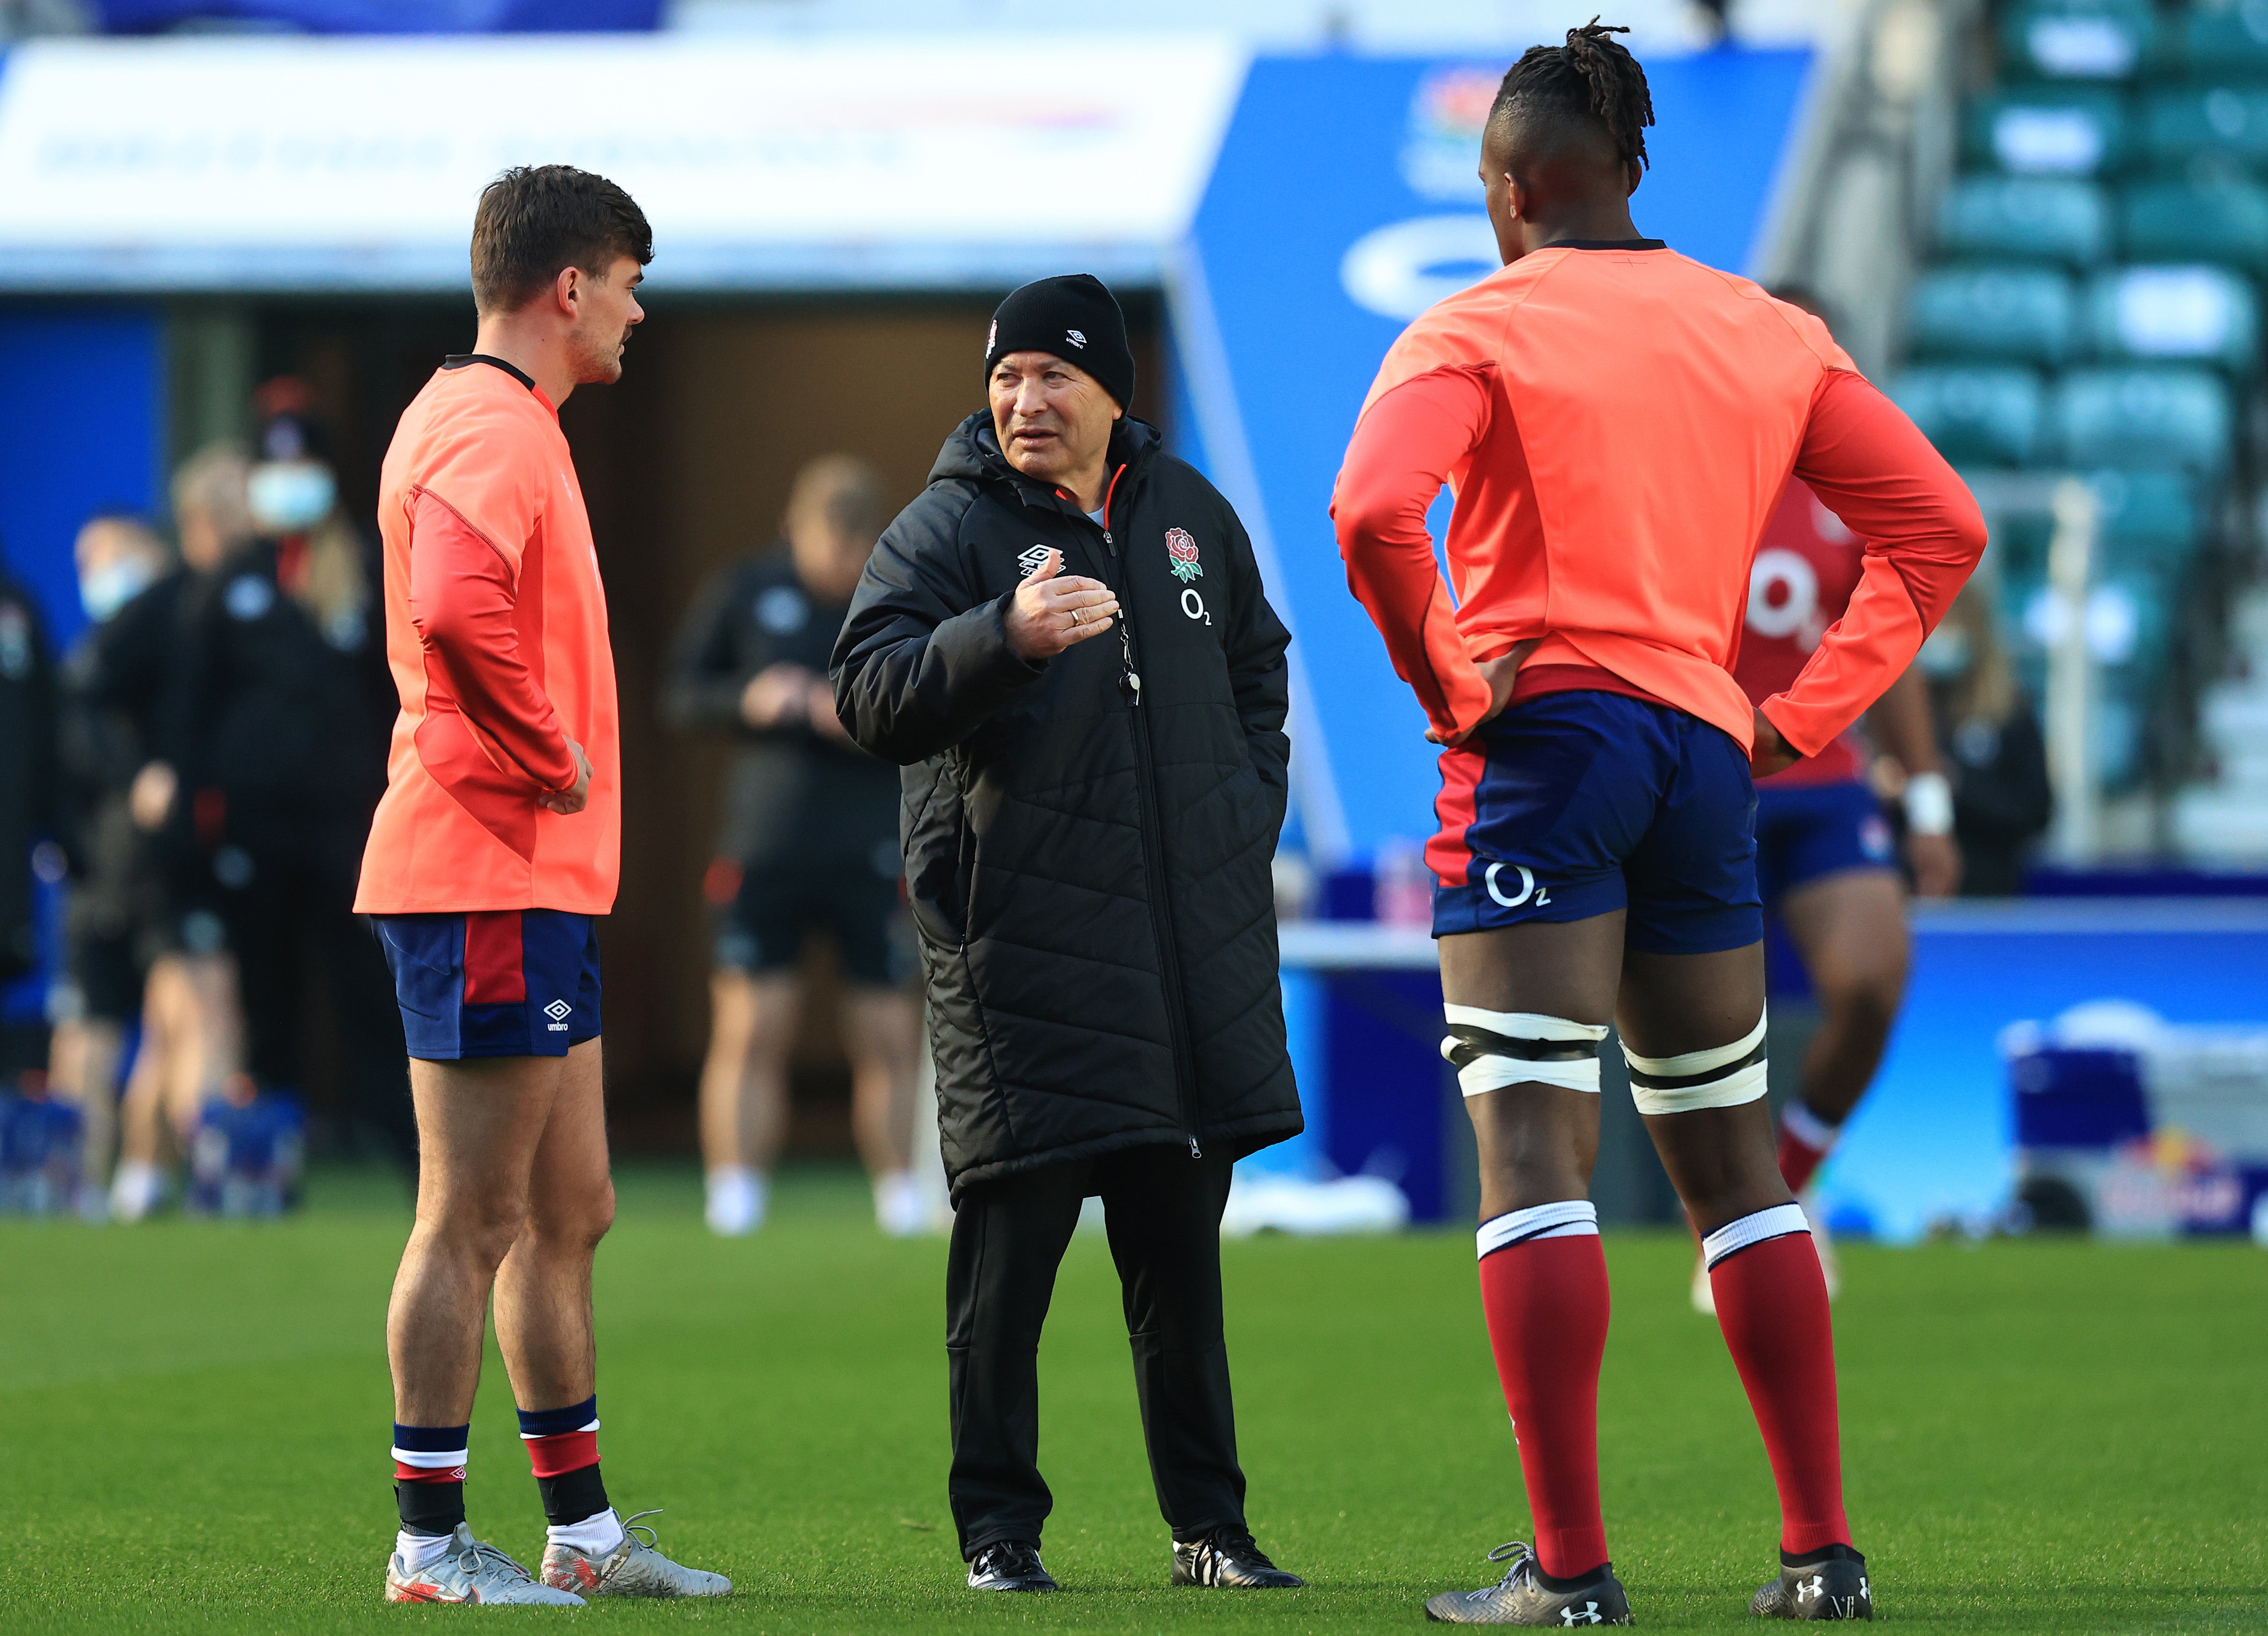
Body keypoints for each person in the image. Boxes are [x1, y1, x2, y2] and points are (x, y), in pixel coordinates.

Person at [1332, 24, 1984, 1625]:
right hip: (1708, 756)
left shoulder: (1472, 324)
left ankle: (1567, 1575)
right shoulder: (1763, 330)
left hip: (1543, 742)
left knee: (1535, 1148)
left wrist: (1447, 677)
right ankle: (1819, 1557)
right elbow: (1940, 529)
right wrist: (1800, 714)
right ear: (1633, 172)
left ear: (1502, 192)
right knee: (1736, 1165)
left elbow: (1366, 509)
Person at [833, 274, 1306, 1595]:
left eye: (1053, 376)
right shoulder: (947, 530)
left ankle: (1208, 1528)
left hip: (1177, 959)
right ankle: (998, 1534)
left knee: (1180, 1278)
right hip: (1023, 956)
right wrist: (1002, 634)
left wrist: (1238, 808)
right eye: (1006, 377)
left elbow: (1258, 668)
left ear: (1113, 392)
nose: (1025, 400)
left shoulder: (1189, 514)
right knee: (1004, 1283)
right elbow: (866, 692)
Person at [359, 164, 727, 1606]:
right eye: (630, 282)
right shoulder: (488, 424)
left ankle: (580, 1533)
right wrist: (545, 748)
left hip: (524, 878)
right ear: (568, 288)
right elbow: (452, 604)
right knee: (473, 1216)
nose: (639, 310)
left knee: (569, 1207)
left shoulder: (505, 423)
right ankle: (432, 1547)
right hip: (484, 870)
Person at [1695, 286, 1967, 1313]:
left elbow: (1892, 647)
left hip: (1819, 779)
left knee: (1869, 978)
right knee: (1708, 1026)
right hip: (1701, 780)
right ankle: (1731, 1223)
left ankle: (1787, 1186)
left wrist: (1928, 804)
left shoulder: (1850, 482)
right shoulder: (1684, 457)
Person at [663, 455, 924, 1239]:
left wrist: (862, 720)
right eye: (827, 545)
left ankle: (901, 1198)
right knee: (752, 1025)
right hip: (766, 845)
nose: (839, 564)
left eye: (854, 549)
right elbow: (677, 695)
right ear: (794, 531)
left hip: (871, 846)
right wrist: (747, 697)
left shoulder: (897, 601)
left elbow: (939, 702)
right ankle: (735, 1197)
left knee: (886, 1030)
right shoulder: (745, 590)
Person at [157, 394, 414, 1181]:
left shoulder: (367, 569)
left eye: (299, 464)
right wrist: (185, 812)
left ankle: (412, 1159)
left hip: (346, 826)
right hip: (254, 830)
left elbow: (396, 693)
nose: (286, 481)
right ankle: (264, 1162)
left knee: (371, 995)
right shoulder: (231, 579)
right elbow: (189, 706)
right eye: (275, 466)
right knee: (266, 1002)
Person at [50, 513, 172, 1210]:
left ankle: (141, 1172)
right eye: (84, 560)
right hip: (95, 876)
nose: (94, 572)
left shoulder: (174, 651)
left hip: (162, 874)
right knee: (88, 1029)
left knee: (170, 1019)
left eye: (106, 555)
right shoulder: (86, 664)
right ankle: (78, 1180)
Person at [1920, 581, 2051, 895]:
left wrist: (1955, 784)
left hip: (1988, 895)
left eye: (1951, 622)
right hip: (1907, 894)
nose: (1941, 635)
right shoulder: (1896, 713)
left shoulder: (2009, 713)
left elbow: (2036, 810)